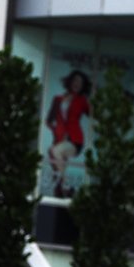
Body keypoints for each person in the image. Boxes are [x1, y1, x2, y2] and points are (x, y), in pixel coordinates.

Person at [46, 69, 92, 198]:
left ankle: (66, 185)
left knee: (54, 152)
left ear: (83, 86)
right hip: (61, 138)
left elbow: (92, 113)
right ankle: (63, 191)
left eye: (80, 82)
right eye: (76, 81)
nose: (77, 84)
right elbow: (49, 120)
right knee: (58, 162)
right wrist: (56, 131)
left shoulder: (82, 101)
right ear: (70, 81)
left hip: (75, 139)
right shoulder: (59, 99)